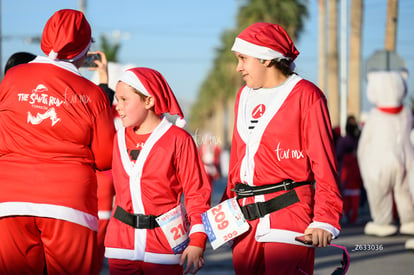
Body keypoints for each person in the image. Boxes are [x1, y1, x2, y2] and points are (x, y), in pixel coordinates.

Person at [221, 22, 343, 274]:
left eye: (243, 58)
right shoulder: (243, 96)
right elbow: (237, 160)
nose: (238, 67)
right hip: (245, 220)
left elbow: (324, 162)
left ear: (266, 57)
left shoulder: (307, 95)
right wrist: (225, 211)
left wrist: (326, 218)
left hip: (289, 214)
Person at [0, 9, 115, 275]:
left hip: (10, 198)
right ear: (84, 50)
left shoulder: (11, 79)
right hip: (68, 203)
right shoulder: (91, 94)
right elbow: (105, 157)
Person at [104, 67, 212, 274]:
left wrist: (198, 239)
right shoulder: (115, 138)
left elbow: (196, 194)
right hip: (121, 246)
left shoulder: (179, 140)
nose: (118, 106)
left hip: (164, 247)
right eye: (117, 99)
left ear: (149, 101)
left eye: (125, 99)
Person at [336, 115, 363, 224]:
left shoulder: (357, 139)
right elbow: (338, 154)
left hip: (356, 171)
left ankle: (354, 215)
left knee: (355, 196)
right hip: (346, 171)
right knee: (346, 196)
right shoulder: (343, 140)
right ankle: (346, 214)